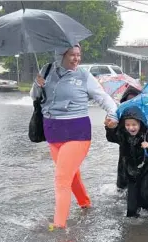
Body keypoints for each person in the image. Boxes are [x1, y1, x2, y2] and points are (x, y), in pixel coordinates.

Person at [30, 44, 119, 230]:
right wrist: (36, 85)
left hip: (77, 133)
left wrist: (113, 113)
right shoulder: (46, 70)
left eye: (79, 55)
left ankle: (59, 227)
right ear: (61, 55)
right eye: (72, 55)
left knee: (61, 178)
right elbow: (35, 96)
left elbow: (103, 97)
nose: (77, 59)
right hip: (52, 131)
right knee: (71, 174)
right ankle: (85, 204)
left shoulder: (84, 76)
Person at [106, 106, 148, 217]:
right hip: (131, 171)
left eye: (134, 124)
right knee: (131, 210)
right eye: (128, 125)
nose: (131, 128)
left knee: (146, 196)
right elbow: (111, 138)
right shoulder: (122, 133)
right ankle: (133, 228)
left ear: (140, 123)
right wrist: (109, 128)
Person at [116, 85, 143, 193]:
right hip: (126, 154)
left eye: (134, 100)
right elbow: (114, 136)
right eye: (128, 100)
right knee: (122, 187)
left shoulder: (146, 115)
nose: (132, 102)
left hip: (144, 155)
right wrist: (110, 127)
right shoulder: (121, 115)